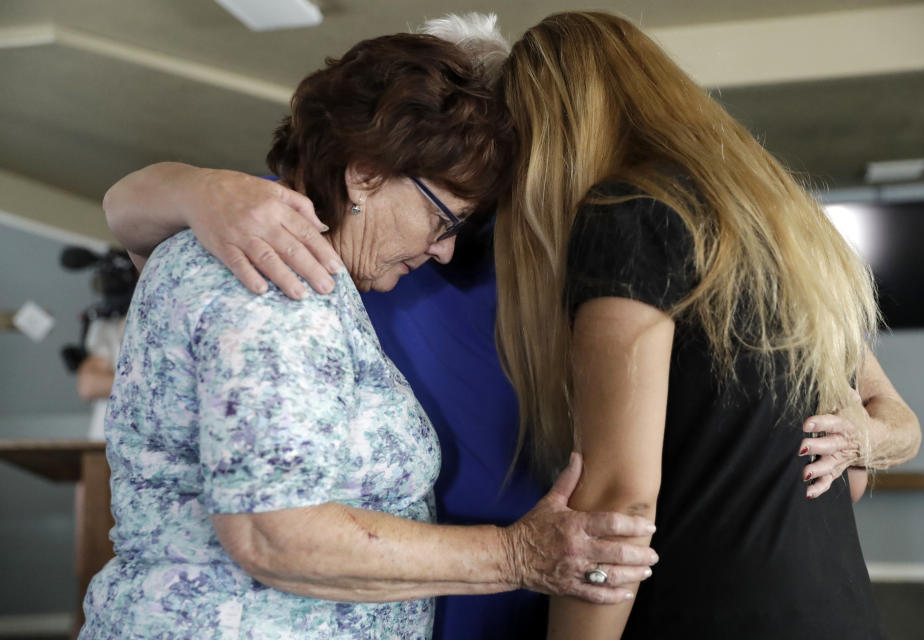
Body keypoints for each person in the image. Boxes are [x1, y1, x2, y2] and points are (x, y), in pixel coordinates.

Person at [101, 14, 922, 640]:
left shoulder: (608, 226)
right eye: (453, 206)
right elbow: (269, 529)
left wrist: (867, 438)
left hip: (588, 595)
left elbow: (848, 429)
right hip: (504, 588)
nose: (461, 233)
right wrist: (197, 188)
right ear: (369, 172)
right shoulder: (279, 244)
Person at [81, 32, 661, 640]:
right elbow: (271, 533)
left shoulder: (299, 267)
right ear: (365, 175)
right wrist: (517, 555)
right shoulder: (277, 275)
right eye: (443, 220)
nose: (444, 250)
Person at [492, 11, 922, 639]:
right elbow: (847, 477)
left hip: (714, 610)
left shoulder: (627, 215)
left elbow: (620, 502)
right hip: (835, 611)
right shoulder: (782, 233)